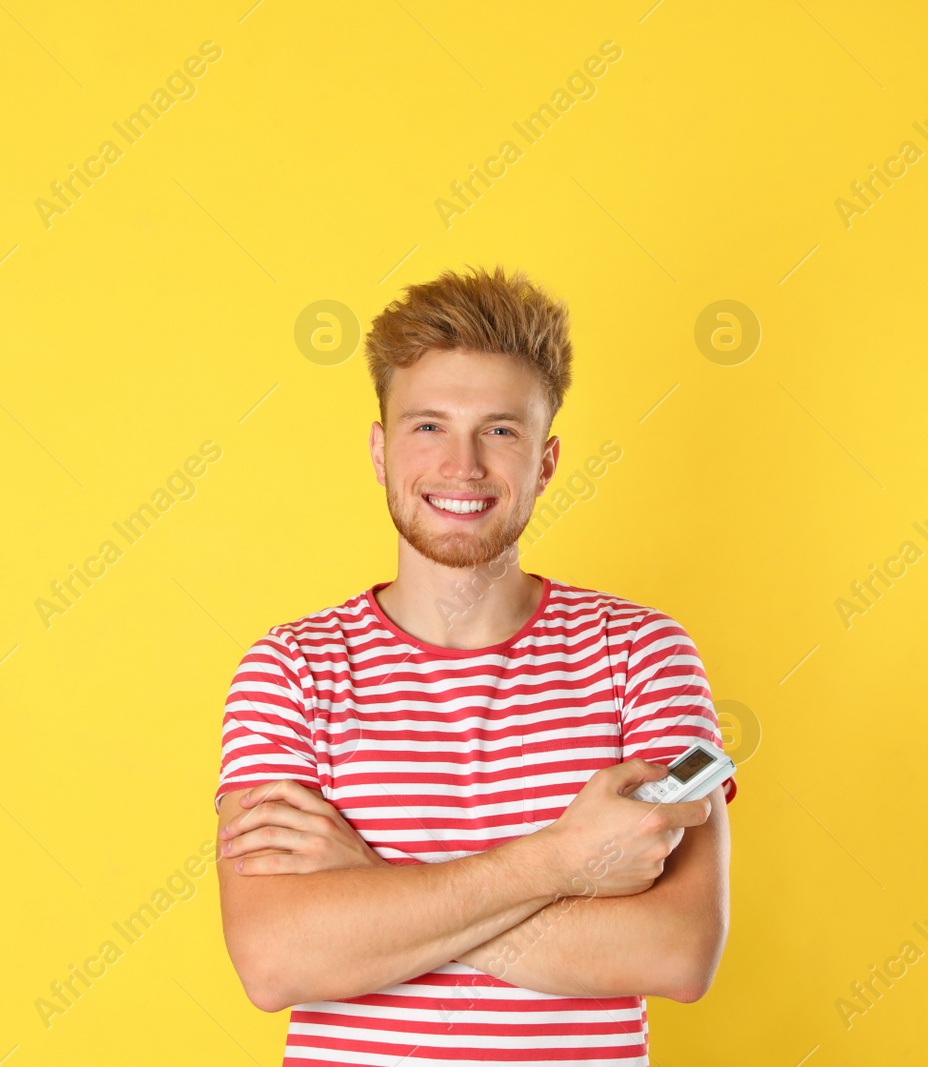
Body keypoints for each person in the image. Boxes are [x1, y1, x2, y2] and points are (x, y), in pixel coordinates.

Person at [213, 265, 734, 1066]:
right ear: (381, 450)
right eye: (428, 427)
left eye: (499, 430)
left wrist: (371, 884)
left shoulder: (646, 654)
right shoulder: (290, 670)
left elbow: (677, 951)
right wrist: (560, 863)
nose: (462, 467)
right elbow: (277, 959)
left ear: (546, 461)